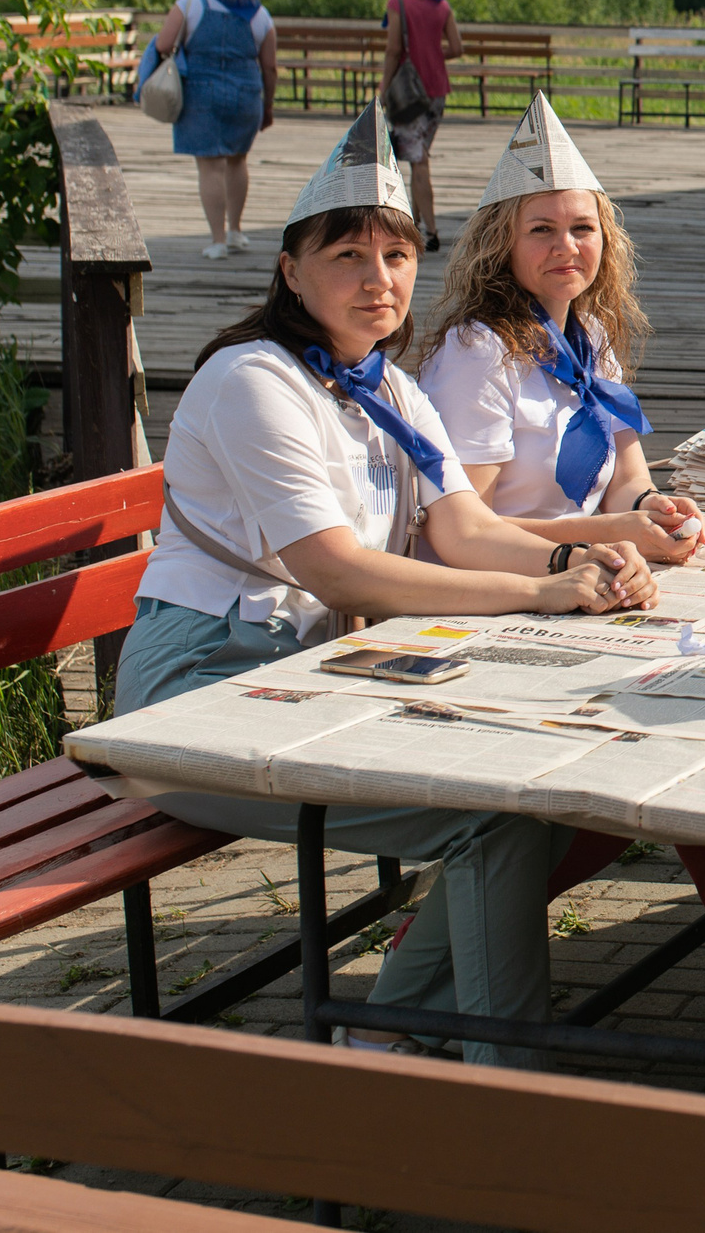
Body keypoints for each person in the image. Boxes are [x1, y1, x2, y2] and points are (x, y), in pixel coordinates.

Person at [115, 102, 659, 1068]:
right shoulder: (255, 380)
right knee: (493, 818)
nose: (379, 281)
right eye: (349, 258)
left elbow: (468, 528)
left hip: (309, 672)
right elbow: (332, 565)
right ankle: (508, 1102)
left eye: (397, 258)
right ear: (291, 270)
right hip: (194, 687)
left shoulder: (390, 390)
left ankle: (378, 1034)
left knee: (535, 789)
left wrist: (578, 564)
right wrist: (540, 594)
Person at [418, 95, 705, 1052]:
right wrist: (619, 526)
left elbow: (628, 468)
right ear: (498, 246)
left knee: (691, 717)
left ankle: (429, 970)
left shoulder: (586, 339)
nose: (566, 247)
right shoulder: (479, 354)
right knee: (671, 742)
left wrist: (658, 507)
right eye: (541, 230)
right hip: (506, 608)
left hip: (601, 592)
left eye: (582, 228)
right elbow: (465, 530)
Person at [137, 0, 277, 259]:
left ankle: (217, 240)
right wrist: (267, 105)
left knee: (210, 167)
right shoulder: (260, 16)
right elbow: (269, 66)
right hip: (246, 95)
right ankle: (236, 231)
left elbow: (163, 44)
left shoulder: (190, 4)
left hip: (201, 95)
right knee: (238, 160)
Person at [381, 0, 463, 251]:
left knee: (418, 160)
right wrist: (431, 54)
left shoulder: (397, 4)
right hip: (437, 91)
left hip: (407, 93)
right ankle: (417, 224)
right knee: (419, 154)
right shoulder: (442, 6)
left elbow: (392, 50)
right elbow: (457, 47)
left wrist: (382, 89)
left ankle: (428, 229)